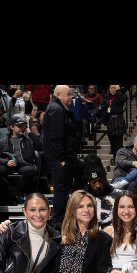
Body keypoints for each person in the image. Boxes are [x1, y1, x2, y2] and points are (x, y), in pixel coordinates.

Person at [42, 85, 84, 228]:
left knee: (80, 169)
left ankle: (72, 213)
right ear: (59, 95)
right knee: (61, 189)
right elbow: (57, 137)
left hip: (65, 157)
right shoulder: (56, 109)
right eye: (68, 94)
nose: (71, 97)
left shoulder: (58, 108)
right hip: (59, 158)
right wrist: (61, 159)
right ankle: (58, 222)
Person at [0, 114, 43, 204]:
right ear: (12, 127)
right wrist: (6, 162)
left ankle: (14, 193)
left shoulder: (29, 139)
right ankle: (12, 191)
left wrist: (30, 132)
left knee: (30, 171)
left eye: (23, 126)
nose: (22, 128)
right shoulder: (3, 141)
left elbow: (41, 147)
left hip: (24, 164)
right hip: (10, 164)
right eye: (19, 126)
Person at [82, 154, 122, 228]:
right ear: (88, 182)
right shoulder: (82, 198)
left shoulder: (118, 195)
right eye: (93, 182)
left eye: (100, 181)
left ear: (105, 179)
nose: (98, 185)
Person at [103, 84, 128, 159]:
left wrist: (119, 91)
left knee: (119, 143)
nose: (113, 90)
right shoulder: (107, 98)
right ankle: (114, 158)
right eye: (111, 88)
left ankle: (120, 159)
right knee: (112, 142)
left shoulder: (119, 96)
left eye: (114, 88)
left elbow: (123, 99)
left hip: (118, 121)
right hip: (110, 122)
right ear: (109, 89)